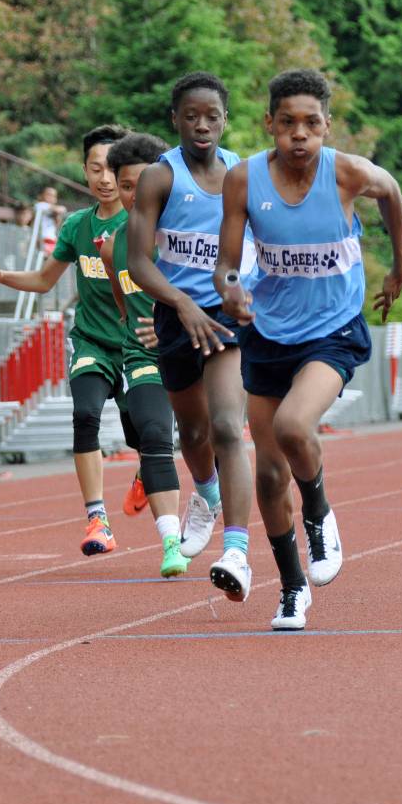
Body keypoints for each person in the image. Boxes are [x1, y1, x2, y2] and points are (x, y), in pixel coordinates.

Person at [215, 68, 402, 630]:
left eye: (311, 124)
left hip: (333, 327)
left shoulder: (347, 172)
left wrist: (400, 263)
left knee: (294, 427)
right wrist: (232, 291)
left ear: (326, 126)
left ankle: (320, 515)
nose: (299, 135)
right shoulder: (243, 179)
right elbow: (227, 266)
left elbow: (391, 192)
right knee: (269, 476)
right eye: (287, 123)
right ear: (269, 123)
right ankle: (292, 588)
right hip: (268, 330)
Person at [0, 125, 190, 577]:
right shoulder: (78, 226)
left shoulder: (150, 226)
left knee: (147, 436)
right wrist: (1, 276)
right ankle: (98, 520)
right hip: (93, 342)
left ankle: (145, 472)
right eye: (96, 169)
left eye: (113, 171)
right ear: (85, 172)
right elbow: (44, 280)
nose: (105, 179)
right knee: (85, 413)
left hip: (139, 343)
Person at [127, 72, 256, 602]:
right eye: (191, 116)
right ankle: (206, 496)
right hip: (176, 318)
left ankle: (237, 550)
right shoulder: (159, 177)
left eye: (212, 117)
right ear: (175, 120)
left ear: (225, 121)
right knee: (194, 434)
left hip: (226, 316)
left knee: (227, 427)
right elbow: (138, 262)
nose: (202, 125)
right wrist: (181, 304)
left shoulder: (243, 175)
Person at [97, 130, 191, 569]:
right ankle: (172, 543)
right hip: (142, 356)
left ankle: (210, 501)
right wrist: (138, 327)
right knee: (154, 437)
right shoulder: (113, 246)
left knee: (204, 440)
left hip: (191, 350)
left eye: (142, 184)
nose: (134, 194)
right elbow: (122, 298)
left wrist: (171, 321)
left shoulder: (186, 235)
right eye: (125, 185)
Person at [34, 185, 67, 255]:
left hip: (52, 240)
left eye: (53, 196)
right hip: (41, 239)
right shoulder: (40, 205)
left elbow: (57, 225)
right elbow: (61, 209)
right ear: (41, 196)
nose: (51, 197)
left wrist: (57, 217)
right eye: (48, 194)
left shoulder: (53, 211)